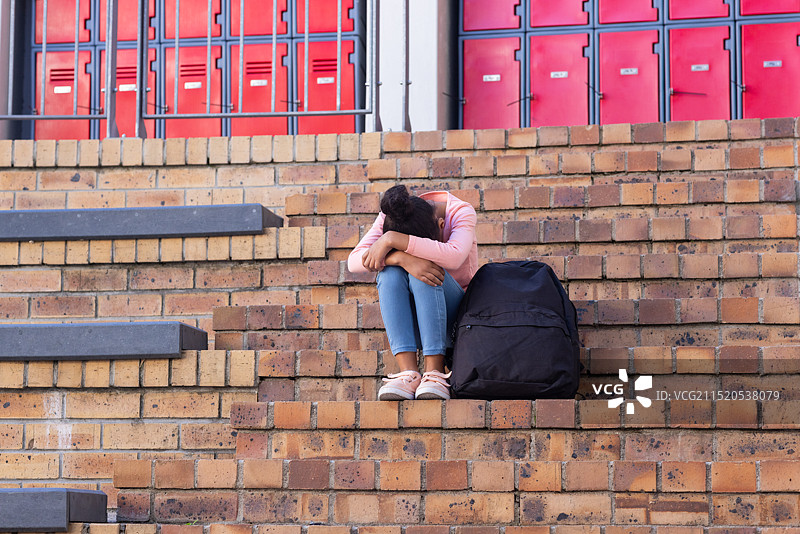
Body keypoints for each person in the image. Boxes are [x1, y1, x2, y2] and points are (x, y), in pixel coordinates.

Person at [347, 185, 478, 400]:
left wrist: (391, 241)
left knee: (425, 270)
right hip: (417, 315)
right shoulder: (395, 214)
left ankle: (435, 372)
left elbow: (455, 256)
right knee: (389, 273)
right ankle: (408, 372)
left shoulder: (460, 212)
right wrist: (401, 258)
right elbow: (353, 262)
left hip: (457, 314)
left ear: (441, 225)